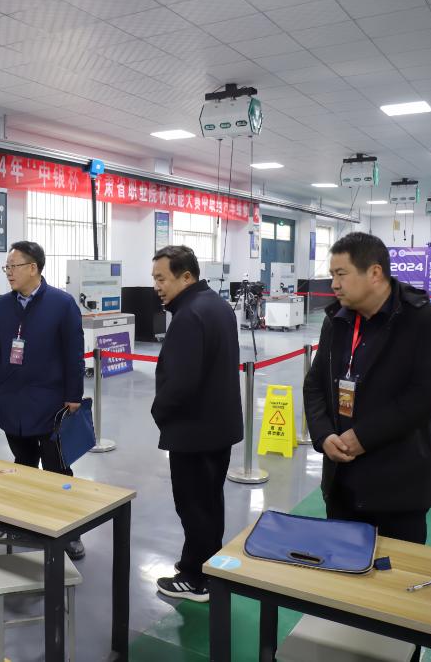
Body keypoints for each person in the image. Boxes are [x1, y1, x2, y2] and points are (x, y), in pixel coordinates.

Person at [303, 233, 431, 544]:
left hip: (399, 487)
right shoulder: (337, 319)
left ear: (374, 273)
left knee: (395, 569)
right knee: (341, 563)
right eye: (332, 275)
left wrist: (363, 437)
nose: (334, 285)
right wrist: (323, 435)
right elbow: (315, 383)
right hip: (342, 479)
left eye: (341, 274)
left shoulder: (425, 320)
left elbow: (427, 396)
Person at [150, 246, 242, 602]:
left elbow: (181, 382)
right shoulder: (217, 306)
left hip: (194, 430)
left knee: (193, 504)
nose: (157, 286)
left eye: (162, 278)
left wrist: (160, 411)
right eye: (154, 279)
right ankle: (205, 563)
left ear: (186, 276)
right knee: (209, 500)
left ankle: (196, 578)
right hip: (218, 427)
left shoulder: (189, 315)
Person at [0, 241, 86, 560]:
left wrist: (73, 395)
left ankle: (69, 531)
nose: (8, 272)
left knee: (57, 468)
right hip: (12, 400)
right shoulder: (3, 306)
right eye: (6, 267)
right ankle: (26, 523)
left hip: (52, 403)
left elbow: (74, 353)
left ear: (33, 268)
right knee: (23, 463)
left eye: (13, 266)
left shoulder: (62, 304)